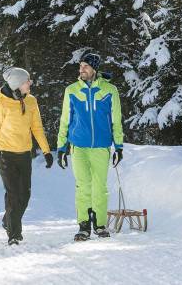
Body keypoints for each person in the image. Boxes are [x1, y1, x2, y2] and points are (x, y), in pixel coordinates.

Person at [57, 52, 124, 241]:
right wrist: (62, 147)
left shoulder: (110, 90)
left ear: (94, 68)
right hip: (78, 146)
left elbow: (116, 119)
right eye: (80, 66)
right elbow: (65, 120)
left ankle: (100, 224)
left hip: (101, 146)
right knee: (83, 186)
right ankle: (84, 225)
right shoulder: (71, 90)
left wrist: (118, 146)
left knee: (100, 187)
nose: (81, 69)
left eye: (85, 66)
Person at [0, 67, 54, 246]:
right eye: (26, 81)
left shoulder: (31, 101)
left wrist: (46, 151)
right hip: (4, 154)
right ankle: (14, 234)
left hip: (24, 154)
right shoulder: (1, 105)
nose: (29, 83)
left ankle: (9, 219)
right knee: (14, 193)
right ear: (16, 84)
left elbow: (37, 127)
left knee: (25, 194)